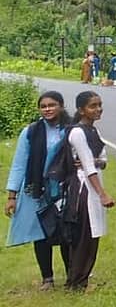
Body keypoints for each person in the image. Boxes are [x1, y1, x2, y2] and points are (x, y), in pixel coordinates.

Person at [4, 91, 73, 291]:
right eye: (43, 106)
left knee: (66, 232)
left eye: (52, 105)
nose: (48, 109)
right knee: (40, 233)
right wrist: (12, 195)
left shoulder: (70, 130)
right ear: (38, 109)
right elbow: (19, 164)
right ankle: (47, 279)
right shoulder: (31, 132)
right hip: (36, 189)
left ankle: (72, 276)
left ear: (61, 106)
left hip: (63, 188)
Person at [64, 90, 115, 291]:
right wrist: (102, 194)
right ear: (81, 110)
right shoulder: (77, 132)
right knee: (84, 234)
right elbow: (88, 165)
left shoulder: (94, 131)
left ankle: (82, 279)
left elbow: (103, 160)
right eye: (93, 106)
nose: (98, 109)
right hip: (83, 187)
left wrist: (95, 163)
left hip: (93, 183)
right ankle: (75, 281)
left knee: (93, 234)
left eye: (99, 105)